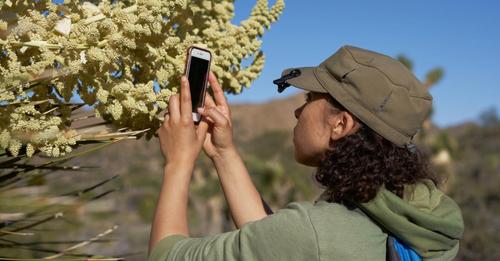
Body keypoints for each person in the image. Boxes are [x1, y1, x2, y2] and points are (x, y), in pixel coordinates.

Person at [148, 45, 464, 261]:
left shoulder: (317, 235)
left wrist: (178, 162)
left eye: (311, 97)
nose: (298, 111)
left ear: (341, 124)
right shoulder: (413, 217)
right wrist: (223, 153)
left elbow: (166, 255)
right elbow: (276, 243)